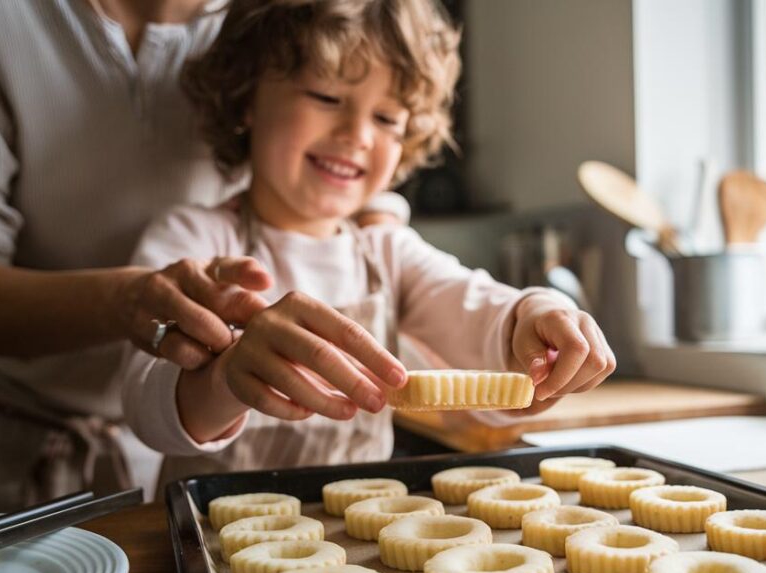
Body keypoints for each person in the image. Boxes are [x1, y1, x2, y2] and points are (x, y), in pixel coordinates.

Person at [0, 0, 410, 516]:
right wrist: (126, 300)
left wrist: (383, 251)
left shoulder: (285, 11)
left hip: (157, 453)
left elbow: (353, 149)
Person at [122, 0, 617, 481]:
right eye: (326, 96)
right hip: (215, 541)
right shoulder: (193, 240)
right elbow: (146, 408)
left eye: (387, 119)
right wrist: (227, 377)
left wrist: (535, 314)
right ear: (247, 95)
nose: (357, 133)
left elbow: (474, 305)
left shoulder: (386, 251)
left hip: (358, 536)